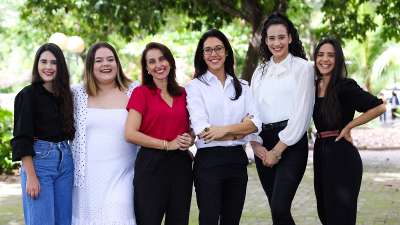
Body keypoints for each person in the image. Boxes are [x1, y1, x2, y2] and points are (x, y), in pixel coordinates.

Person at [186, 29, 262, 225]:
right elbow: (203, 131)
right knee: (209, 220)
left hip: (237, 161)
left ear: (227, 52)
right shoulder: (195, 87)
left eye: (218, 48)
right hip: (209, 162)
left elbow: (255, 124)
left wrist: (224, 130)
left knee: (232, 221)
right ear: (202, 55)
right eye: (208, 50)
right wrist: (239, 130)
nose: (214, 54)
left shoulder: (243, 86)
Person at [249, 13, 315, 224]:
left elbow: (302, 113)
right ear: (265, 40)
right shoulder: (259, 71)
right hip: (262, 144)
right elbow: (251, 112)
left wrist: (277, 151)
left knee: (280, 209)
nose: (276, 43)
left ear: (290, 38)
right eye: (271, 38)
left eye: (281, 37)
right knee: (275, 211)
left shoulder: (302, 68)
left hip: (291, 143)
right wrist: (255, 145)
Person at [313, 37, 385, 224]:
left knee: (340, 218)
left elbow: (379, 107)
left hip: (341, 155)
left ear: (338, 60)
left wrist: (349, 126)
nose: (325, 59)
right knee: (325, 215)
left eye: (331, 55)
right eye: (320, 55)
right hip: (321, 154)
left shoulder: (344, 86)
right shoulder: (314, 87)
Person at [125, 42, 194, 225]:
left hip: (181, 164)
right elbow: (130, 134)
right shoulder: (141, 93)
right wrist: (167, 144)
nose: (158, 65)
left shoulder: (186, 94)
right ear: (147, 68)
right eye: (152, 61)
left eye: (162, 59)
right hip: (151, 164)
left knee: (179, 221)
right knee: (148, 220)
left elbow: (194, 128)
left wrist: (190, 138)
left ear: (170, 62)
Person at [70, 41, 140, 224]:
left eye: (110, 59)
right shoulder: (76, 94)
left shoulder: (135, 91)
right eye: (99, 60)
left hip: (123, 176)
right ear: (90, 66)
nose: (105, 64)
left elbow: (156, 120)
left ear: (117, 63)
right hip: (86, 180)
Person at [11, 43, 75, 224]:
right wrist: (31, 176)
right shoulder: (27, 95)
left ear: (60, 66)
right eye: (43, 61)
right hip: (39, 163)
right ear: (36, 64)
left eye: (54, 63)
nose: (48, 67)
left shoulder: (65, 96)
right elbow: (21, 138)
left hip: (65, 162)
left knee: (64, 220)